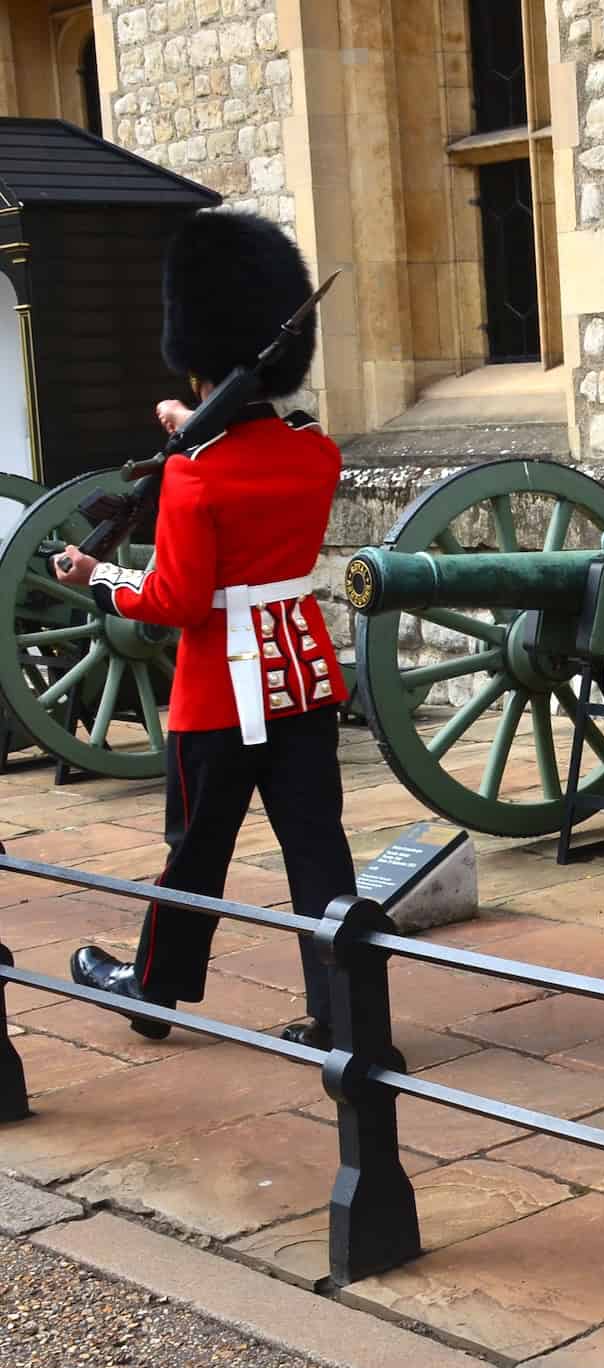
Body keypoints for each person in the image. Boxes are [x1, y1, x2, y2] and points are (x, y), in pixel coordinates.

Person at [55, 210, 358, 1053]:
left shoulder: (193, 476)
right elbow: (255, 456)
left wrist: (101, 580)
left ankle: (153, 989)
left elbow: (179, 600)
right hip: (299, 680)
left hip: (217, 695)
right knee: (318, 855)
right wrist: (195, 431)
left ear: (193, 366)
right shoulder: (313, 453)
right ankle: (345, 1014)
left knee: (195, 854)